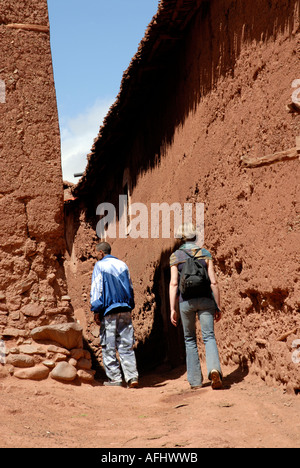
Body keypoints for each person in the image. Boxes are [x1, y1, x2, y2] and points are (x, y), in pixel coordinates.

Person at [169, 224, 223, 390]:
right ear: (195, 237)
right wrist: (218, 305)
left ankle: (195, 381)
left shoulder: (175, 256)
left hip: (186, 303)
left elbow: (173, 283)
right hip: (205, 299)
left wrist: (172, 308)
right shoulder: (205, 253)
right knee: (209, 336)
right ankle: (214, 369)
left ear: (181, 238)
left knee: (190, 339)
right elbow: (213, 281)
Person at [90, 242, 139, 388]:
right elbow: (130, 287)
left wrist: (96, 309)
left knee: (108, 345)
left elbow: (97, 288)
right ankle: (132, 377)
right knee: (126, 345)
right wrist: (130, 305)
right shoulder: (122, 265)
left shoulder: (100, 266)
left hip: (109, 311)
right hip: (125, 309)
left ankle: (115, 379)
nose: (96, 255)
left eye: (96, 253)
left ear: (101, 252)